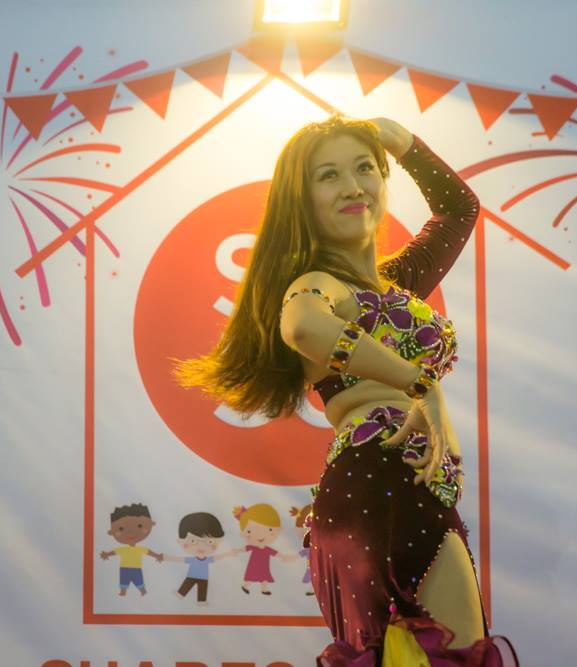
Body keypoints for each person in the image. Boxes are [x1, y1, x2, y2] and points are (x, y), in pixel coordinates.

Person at [171, 116, 518, 665]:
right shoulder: (317, 283)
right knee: (452, 657)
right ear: (302, 199)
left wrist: (402, 142)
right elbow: (304, 327)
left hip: (401, 486)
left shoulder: (393, 282)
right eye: (328, 175)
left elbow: (459, 211)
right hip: (381, 482)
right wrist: (417, 381)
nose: (353, 186)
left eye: (364, 169)